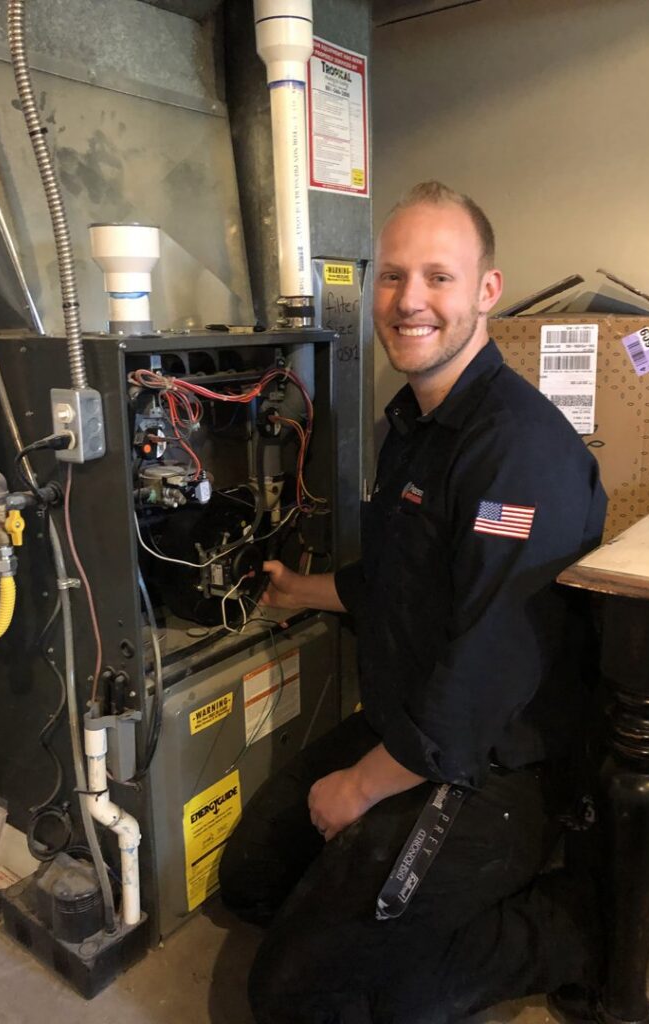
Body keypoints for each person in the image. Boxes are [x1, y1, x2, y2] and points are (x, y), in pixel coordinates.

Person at [218, 181, 608, 1024]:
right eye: (393, 278)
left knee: (296, 994)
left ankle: (569, 924)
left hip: (491, 765)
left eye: (438, 277)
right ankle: (384, 923)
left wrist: (361, 788)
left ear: (486, 293)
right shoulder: (414, 424)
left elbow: (490, 665)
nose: (409, 302)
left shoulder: (517, 450)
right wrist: (298, 591)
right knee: (249, 882)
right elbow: (396, 582)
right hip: (409, 718)